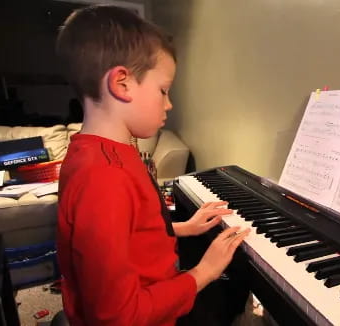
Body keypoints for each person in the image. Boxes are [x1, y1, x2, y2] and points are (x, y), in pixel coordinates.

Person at [55, 5, 250, 326]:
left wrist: (183, 228)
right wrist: (203, 272)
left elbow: (124, 234)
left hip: (154, 292)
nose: (169, 104)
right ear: (122, 83)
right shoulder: (104, 179)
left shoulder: (96, 153)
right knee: (232, 294)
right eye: (163, 90)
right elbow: (117, 317)